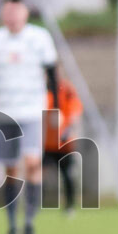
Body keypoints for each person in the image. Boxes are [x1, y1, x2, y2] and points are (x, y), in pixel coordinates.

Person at [0, 0, 58, 234]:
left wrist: (55, 108)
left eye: (16, 11)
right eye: (8, 12)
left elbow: (53, 73)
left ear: (25, 13)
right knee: (11, 168)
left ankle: (30, 220)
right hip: (5, 112)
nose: (12, 17)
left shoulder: (39, 38)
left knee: (32, 162)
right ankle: (12, 223)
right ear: (3, 14)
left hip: (32, 110)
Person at [43, 68, 83, 215]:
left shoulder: (65, 89)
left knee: (68, 174)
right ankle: (36, 205)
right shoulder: (39, 89)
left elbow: (75, 110)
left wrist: (69, 128)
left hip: (63, 142)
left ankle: (70, 207)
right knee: (38, 173)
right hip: (45, 142)